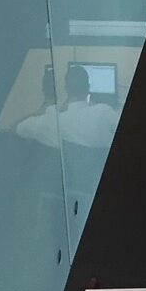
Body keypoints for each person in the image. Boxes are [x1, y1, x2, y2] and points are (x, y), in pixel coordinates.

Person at [16, 64, 121, 232]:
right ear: (88, 88)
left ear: (66, 89)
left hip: (71, 184)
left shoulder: (55, 121)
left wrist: (48, 107)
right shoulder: (103, 112)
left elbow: (20, 128)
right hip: (98, 182)